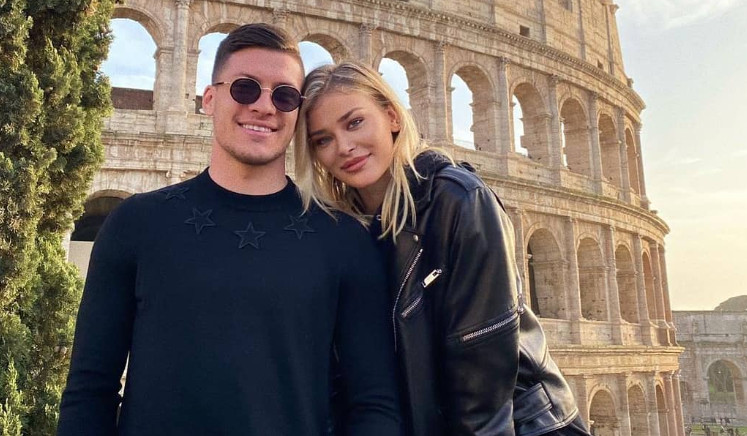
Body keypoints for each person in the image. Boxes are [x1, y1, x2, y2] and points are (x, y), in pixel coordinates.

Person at [57, 24, 402, 436]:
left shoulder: (344, 240)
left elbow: (375, 403)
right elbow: (90, 392)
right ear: (209, 98)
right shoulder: (135, 224)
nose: (264, 106)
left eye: (284, 96)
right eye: (245, 88)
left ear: (296, 113)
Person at [295, 61, 591, 436]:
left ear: (392, 117)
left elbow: (483, 389)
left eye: (354, 123)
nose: (344, 147)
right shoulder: (342, 228)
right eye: (322, 139)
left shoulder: (460, 201)